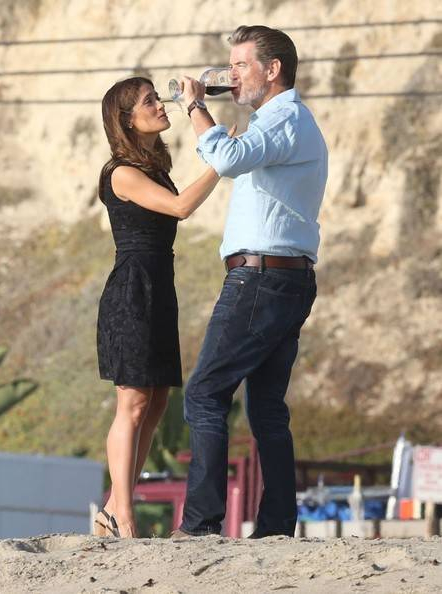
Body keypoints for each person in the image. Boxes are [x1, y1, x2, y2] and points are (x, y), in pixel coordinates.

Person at [172, 25, 328, 538]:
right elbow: (232, 156)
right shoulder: (280, 122)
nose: (232, 75)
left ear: (273, 69)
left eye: (241, 65)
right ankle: (277, 525)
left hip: (261, 279)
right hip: (282, 278)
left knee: (205, 393)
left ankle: (200, 524)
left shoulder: (285, 118)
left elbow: (226, 158)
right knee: (265, 408)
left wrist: (196, 106)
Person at [93, 76, 231, 538]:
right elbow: (179, 207)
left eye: (157, 97)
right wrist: (220, 162)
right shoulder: (120, 172)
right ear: (127, 120)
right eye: (148, 101)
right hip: (131, 292)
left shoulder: (152, 168)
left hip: (158, 290)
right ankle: (123, 515)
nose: (160, 105)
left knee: (155, 404)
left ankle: (110, 510)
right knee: (132, 403)